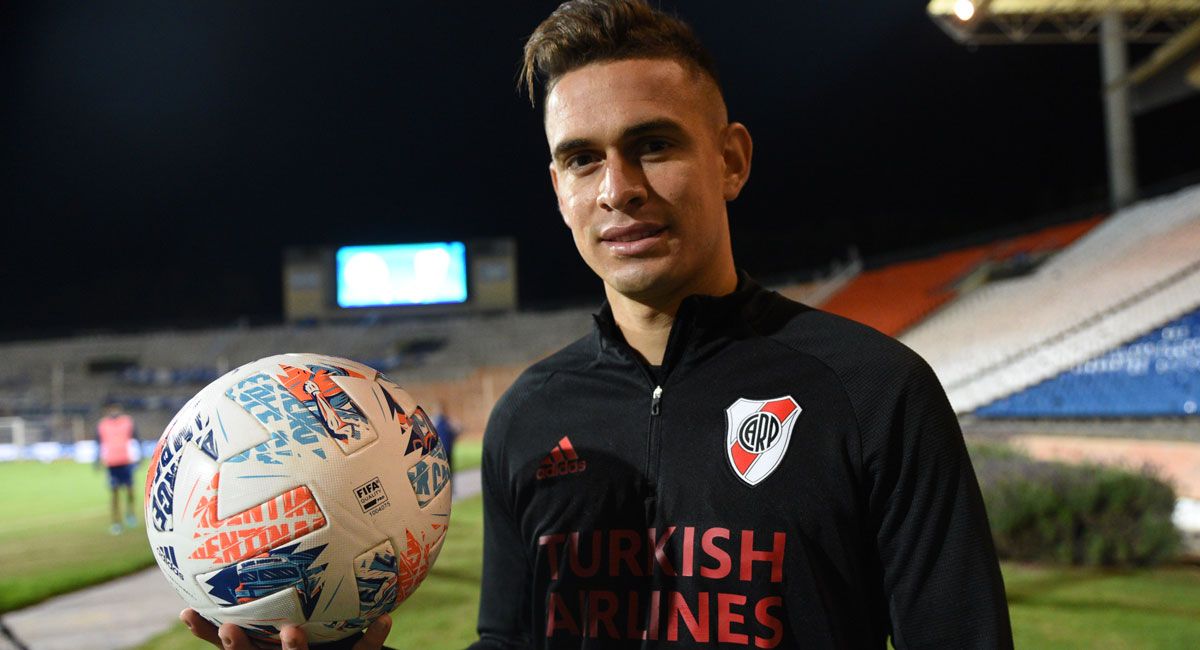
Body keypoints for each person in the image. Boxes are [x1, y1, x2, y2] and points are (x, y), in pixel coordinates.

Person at [469, 1, 1013, 648]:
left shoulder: (876, 393)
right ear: (561, 191)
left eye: (653, 145)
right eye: (584, 159)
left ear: (732, 160)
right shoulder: (526, 416)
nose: (619, 188)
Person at [96, 401, 140, 535]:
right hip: (112, 463)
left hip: (126, 461)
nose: (114, 411)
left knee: (130, 490)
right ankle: (116, 522)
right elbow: (99, 442)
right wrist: (97, 460)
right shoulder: (103, 424)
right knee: (114, 494)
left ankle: (130, 514)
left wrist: (140, 455)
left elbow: (136, 438)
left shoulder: (127, 421)